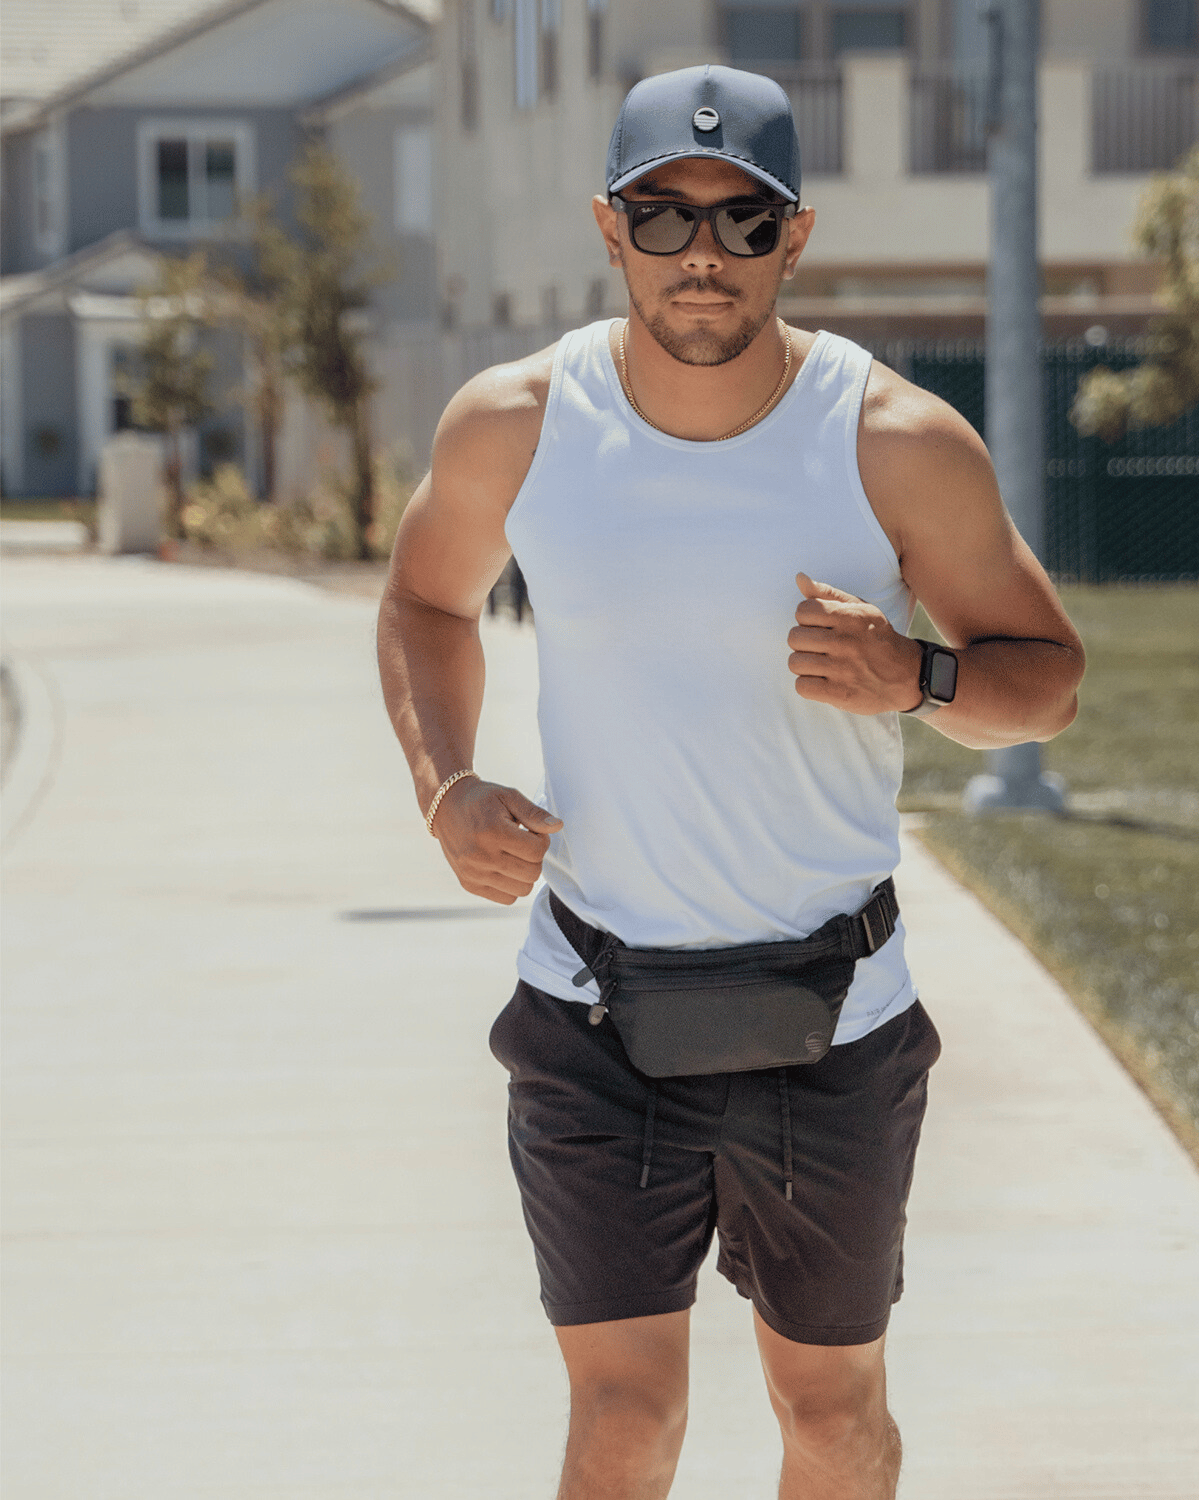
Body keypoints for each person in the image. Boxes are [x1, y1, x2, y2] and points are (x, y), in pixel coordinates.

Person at [377, 64, 1084, 1500]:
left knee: (832, 1422)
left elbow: (1050, 677)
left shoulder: (891, 442)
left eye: (742, 222)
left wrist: (921, 677)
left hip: (832, 1020)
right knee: (624, 1420)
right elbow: (423, 605)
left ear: (796, 237)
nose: (704, 253)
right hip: (593, 1013)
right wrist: (445, 783)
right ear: (610, 225)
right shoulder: (516, 422)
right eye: (665, 215)